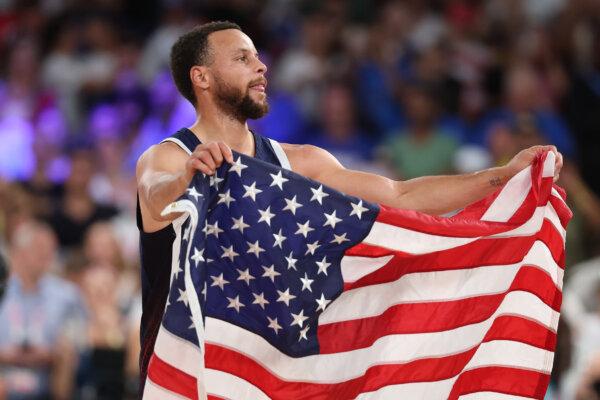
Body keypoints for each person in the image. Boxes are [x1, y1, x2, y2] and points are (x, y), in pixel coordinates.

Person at [135, 21, 564, 386]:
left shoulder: (301, 161)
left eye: (258, 57)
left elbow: (403, 195)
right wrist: (187, 176)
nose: (261, 66)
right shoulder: (169, 157)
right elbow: (155, 198)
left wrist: (502, 175)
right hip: (188, 375)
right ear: (202, 77)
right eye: (243, 58)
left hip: (270, 377)